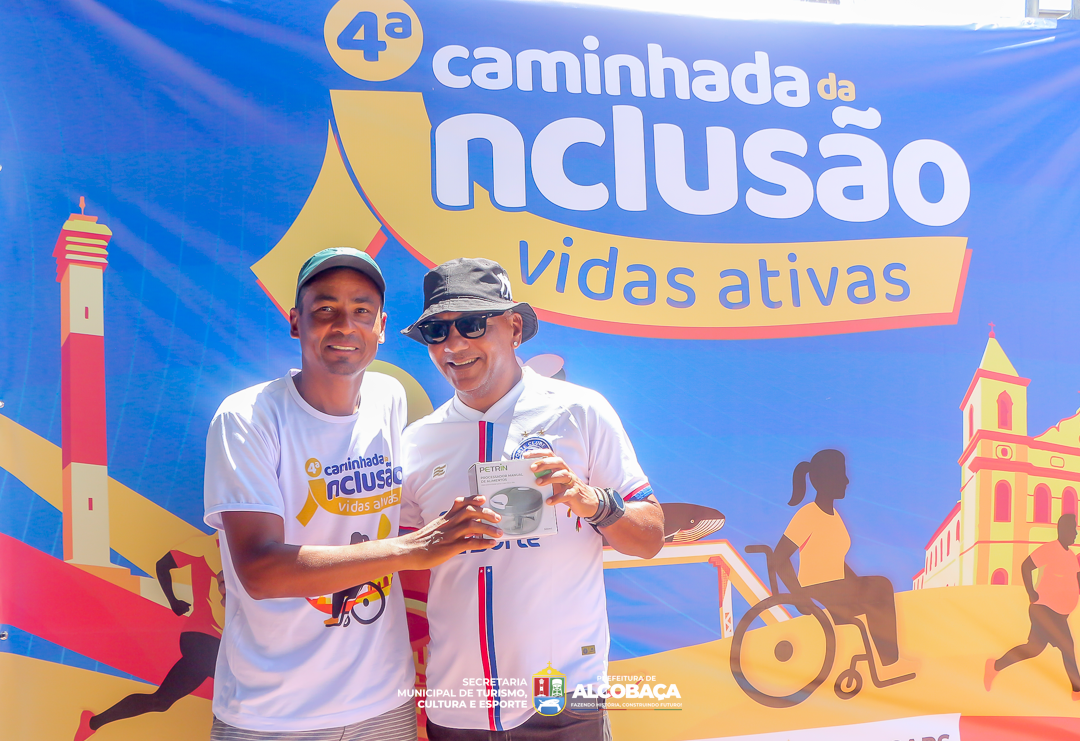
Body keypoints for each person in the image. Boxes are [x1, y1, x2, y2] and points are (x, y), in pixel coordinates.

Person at [202, 248, 500, 740]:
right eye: (325, 309)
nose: (344, 325)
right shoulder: (247, 418)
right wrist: (414, 549)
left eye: (362, 310)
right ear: (295, 322)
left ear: (381, 327)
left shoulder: (388, 397)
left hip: (384, 702)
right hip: (274, 714)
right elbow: (259, 571)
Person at [398, 257, 665, 741]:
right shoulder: (418, 440)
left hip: (564, 699)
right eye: (437, 331)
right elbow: (400, 565)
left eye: (472, 324)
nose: (454, 344)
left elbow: (650, 537)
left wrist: (590, 500)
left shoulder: (580, 410)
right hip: (457, 706)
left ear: (515, 328)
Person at [73, 534, 224, 741]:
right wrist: (174, 602)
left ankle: (92, 723)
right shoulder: (204, 544)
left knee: (161, 702)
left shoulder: (245, 549)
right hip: (203, 638)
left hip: (220, 643)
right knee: (242, 686)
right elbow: (163, 565)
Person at [772, 449, 907, 673]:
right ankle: (888, 662)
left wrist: (858, 583)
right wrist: (798, 596)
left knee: (880, 586)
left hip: (837, 585)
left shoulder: (834, 517)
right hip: (817, 588)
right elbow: (779, 558)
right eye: (840, 474)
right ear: (823, 480)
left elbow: (835, 560)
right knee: (880, 588)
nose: (846, 480)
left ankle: (887, 661)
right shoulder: (808, 515)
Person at [984, 513, 1080, 697]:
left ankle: (995, 666)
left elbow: (1075, 580)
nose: (1076, 533)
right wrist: (1031, 592)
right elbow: (1026, 566)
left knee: (1034, 648)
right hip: (1044, 609)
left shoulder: (1070, 556)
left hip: (1059, 614)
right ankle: (1077, 690)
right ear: (1063, 530)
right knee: (1067, 646)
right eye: (1073, 529)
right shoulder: (1050, 549)